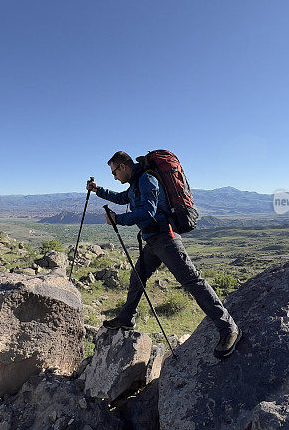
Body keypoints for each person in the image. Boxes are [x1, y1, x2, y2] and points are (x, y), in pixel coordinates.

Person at [87, 151, 242, 359]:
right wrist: (99, 191)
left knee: (193, 282)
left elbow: (147, 212)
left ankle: (229, 329)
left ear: (122, 166)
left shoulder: (147, 179)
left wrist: (118, 219)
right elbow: (121, 197)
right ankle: (126, 318)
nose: (114, 177)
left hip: (166, 239)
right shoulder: (135, 185)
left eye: (114, 172)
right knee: (137, 277)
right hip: (153, 241)